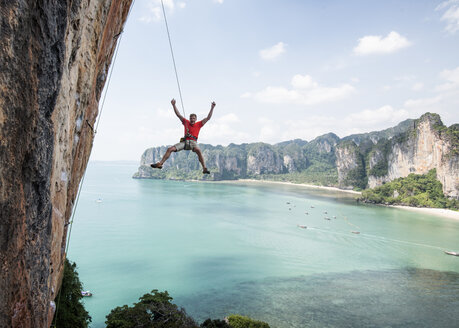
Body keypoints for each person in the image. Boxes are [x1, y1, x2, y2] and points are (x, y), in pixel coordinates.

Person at [151, 98, 216, 174]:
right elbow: (178, 114)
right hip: (185, 141)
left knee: (198, 150)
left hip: (193, 142)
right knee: (170, 149)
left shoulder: (199, 124)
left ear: (196, 119)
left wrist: (212, 108)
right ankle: (160, 163)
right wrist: (174, 105)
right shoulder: (186, 122)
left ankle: (204, 168)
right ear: (189, 118)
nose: (192, 119)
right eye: (191, 118)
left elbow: (208, 118)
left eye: (193, 118)